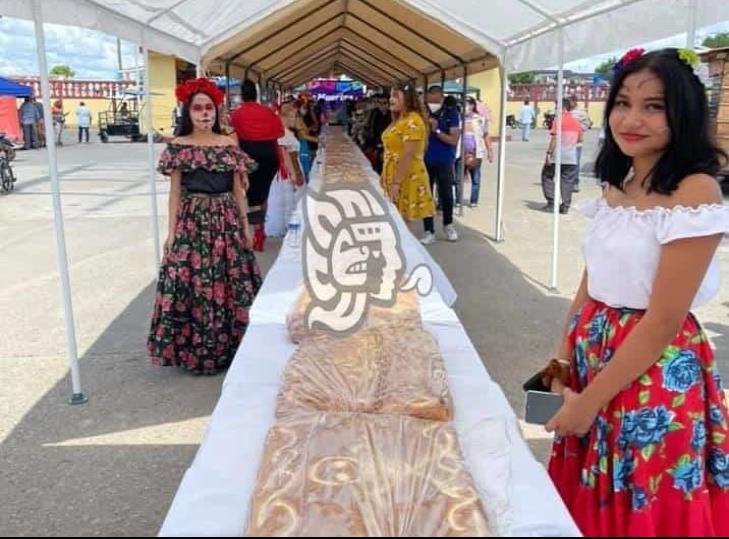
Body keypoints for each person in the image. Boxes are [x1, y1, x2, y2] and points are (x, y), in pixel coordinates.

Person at [542, 48, 729, 537]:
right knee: (592, 491)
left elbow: (665, 319)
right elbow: (590, 281)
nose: (631, 119)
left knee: (642, 494)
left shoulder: (695, 191)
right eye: (623, 103)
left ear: (683, 113)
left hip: (650, 370)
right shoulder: (617, 183)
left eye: (653, 106)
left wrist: (590, 402)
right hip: (593, 357)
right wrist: (561, 361)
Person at [148, 77, 262, 375]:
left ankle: (231, 347)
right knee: (193, 282)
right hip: (191, 220)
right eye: (197, 108)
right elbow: (174, 192)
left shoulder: (228, 145)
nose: (204, 113)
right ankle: (194, 349)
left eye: (209, 107)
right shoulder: (178, 147)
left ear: (217, 111)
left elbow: (238, 189)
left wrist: (246, 226)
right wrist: (171, 233)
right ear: (188, 112)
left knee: (228, 280)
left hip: (225, 219)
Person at [230, 79, 284, 252]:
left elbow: (233, 136)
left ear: (242, 95)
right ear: (256, 94)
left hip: (249, 154)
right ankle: (260, 229)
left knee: (252, 196)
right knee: (263, 193)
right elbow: (280, 132)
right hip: (269, 155)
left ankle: (256, 232)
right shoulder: (268, 112)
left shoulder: (237, 114)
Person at [380, 85, 435, 222]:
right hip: (395, 174)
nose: (391, 100)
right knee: (396, 221)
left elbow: (408, 155)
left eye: (396, 96)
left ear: (408, 99)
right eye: (391, 96)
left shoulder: (413, 121)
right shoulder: (399, 119)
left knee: (401, 223)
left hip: (407, 176)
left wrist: (396, 183)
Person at [422, 86, 460, 244]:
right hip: (425, 160)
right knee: (426, 196)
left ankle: (448, 224)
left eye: (434, 100)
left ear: (441, 97)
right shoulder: (424, 114)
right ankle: (429, 230)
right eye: (428, 100)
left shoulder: (451, 113)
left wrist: (436, 130)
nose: (431, 103)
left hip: (444, 160)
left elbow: (453, 139)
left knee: (446, 195)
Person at [541, 97, 583, 214]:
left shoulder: (558, 120)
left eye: (556, 107)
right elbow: (580, 138)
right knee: (568, 181)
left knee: (547, 176)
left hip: (558, 156)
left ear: (562, 108)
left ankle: (551, 201)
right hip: (571, 157)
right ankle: (565, 205)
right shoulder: (576, 122)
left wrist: (549, 153)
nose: (555, 109)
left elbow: (555, 138)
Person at [455, 96, 494, 208]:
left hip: (476, 152)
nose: (463, 107)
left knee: (475, 178)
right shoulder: (458, 119)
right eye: (462, 105)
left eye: (465, 105)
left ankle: (474, 200)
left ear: (472, 106)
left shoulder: (480, 119)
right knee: (459, 178)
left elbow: (486, 135)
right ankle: (458, 200)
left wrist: (490, 151)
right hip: (461, 152)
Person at [294, 98, 319, 182]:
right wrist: (317, 140)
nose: (305, 109)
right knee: (305, 166)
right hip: (302, 144)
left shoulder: (300, 118)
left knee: (307, 163)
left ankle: (307, 180)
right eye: (303, 107)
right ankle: (307, 181)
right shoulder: (297, 118)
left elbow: (305, 131)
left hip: (305, 144)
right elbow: (303, 135)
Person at [570, 97, 592, 193]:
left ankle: (575, 182)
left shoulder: (581, 112)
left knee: (575, 163)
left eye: (571, 102)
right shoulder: (564, 111)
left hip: (576, 142)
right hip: (564, 142)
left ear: (575, 102)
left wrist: (577, 128)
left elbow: (587, 124)